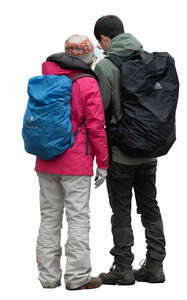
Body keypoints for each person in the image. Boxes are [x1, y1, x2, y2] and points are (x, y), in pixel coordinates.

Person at [94, 15, 166, 285]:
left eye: (99, 43)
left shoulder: (106, 66)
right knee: (150, 207)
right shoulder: (148, 61)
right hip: (149, 151)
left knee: (121, 210)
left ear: (104, 38)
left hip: (120, 153)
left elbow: (99, 112)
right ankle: (155, 265)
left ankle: (123, 268)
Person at [35, 34, 108, 290]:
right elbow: (96, 126)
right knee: (77, 218)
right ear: (88, 57)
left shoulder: (46, 77)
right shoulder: (88, 83)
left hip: (45, 159)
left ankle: (48, 278)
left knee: (49, 218)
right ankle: (77, 277)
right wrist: (104, 162)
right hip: (76, 162)